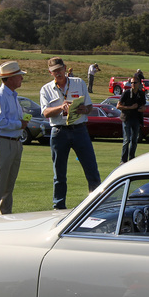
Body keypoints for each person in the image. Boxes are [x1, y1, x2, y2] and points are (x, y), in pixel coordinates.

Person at [41, 57, 101, 209]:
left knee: (92, 170)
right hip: (59, 132)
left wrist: (83, 109)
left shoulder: (78, 83)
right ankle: (58, 206)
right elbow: (46, 112)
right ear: (50, 73)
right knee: (59, 174)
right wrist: (61, 108)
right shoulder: (46, 89)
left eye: (60, 69)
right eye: (54, 71)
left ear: (65, 68)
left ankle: (96, 205)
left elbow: (89, 106)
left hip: (79, 129)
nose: (58, 73)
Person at [0, 61, 29, 216]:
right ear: (10, 78)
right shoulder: (0, 96)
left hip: (14, 142)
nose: (21, 79)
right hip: (2, 142)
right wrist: (19, 124)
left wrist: (21, 121)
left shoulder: (13, 96)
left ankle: (5, 218)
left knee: (8, 186)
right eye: (19, 76)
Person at [117, 75, 146, 163]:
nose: (133, 84)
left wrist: (142, 109)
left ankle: (132, 159)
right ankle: (123, 160)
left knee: (134, 140)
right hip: (127, 118)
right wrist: (130, 107)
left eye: (135, 83)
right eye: (131, 83)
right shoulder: (126, 93)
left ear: (139, 84)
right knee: (127, 140)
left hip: (136, 119)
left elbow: (144, 106)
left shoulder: (141, 94)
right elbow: (118, 106)